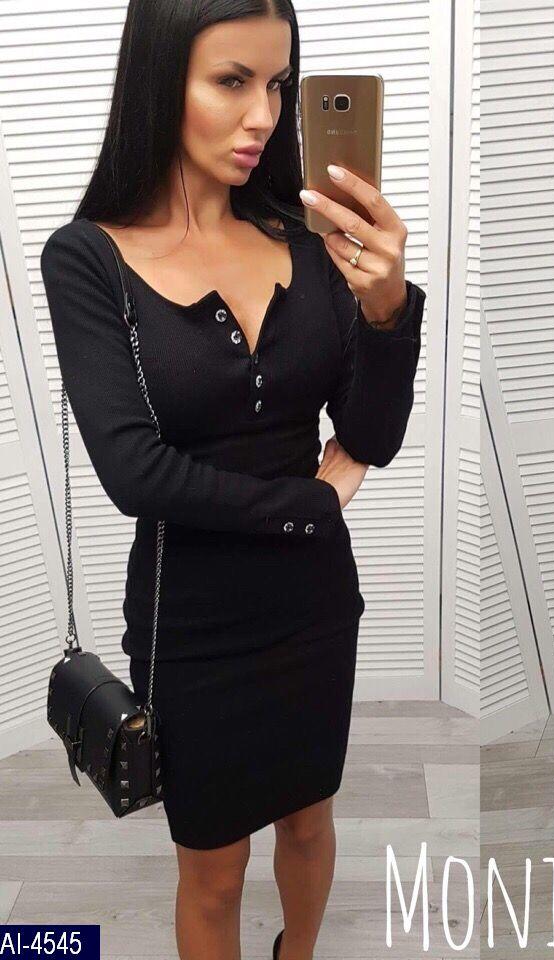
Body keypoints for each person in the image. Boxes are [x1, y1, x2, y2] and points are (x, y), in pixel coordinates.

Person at [39, 3, 425, 959]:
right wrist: (310, 503)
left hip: (314, 608)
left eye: (279, 85)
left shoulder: (304, 236)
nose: (265, 115)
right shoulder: (87, 258)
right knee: (211, 870)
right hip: (193, 627)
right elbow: (134, 471)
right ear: (159, 79)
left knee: (309, 820)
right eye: (232, 81)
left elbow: (371, 433)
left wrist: (387, 308)